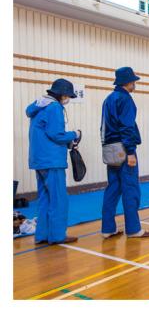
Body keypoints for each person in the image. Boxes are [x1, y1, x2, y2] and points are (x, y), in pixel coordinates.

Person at [101, 67, 149, 239]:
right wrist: (130, 152)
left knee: (113, 188)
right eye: (134, 81)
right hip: (124, 149)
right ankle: (133, 229)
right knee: (130, 189)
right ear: (128, 82)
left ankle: (107, 228)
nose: (135, 84)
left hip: (109, 148)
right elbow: (126, 126)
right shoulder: (125, 99)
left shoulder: (108, 99)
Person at [26, 79, 81, 244]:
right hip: (52, 160)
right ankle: (57, 236)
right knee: (58, 199)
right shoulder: (55, 107)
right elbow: (56, 134)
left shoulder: (39, 106)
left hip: (39, 160)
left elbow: (46, 132)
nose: (68, 99)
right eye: (68, 96)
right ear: (62, 94)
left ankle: (42, 235)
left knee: (44, 199)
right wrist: (75, 134)